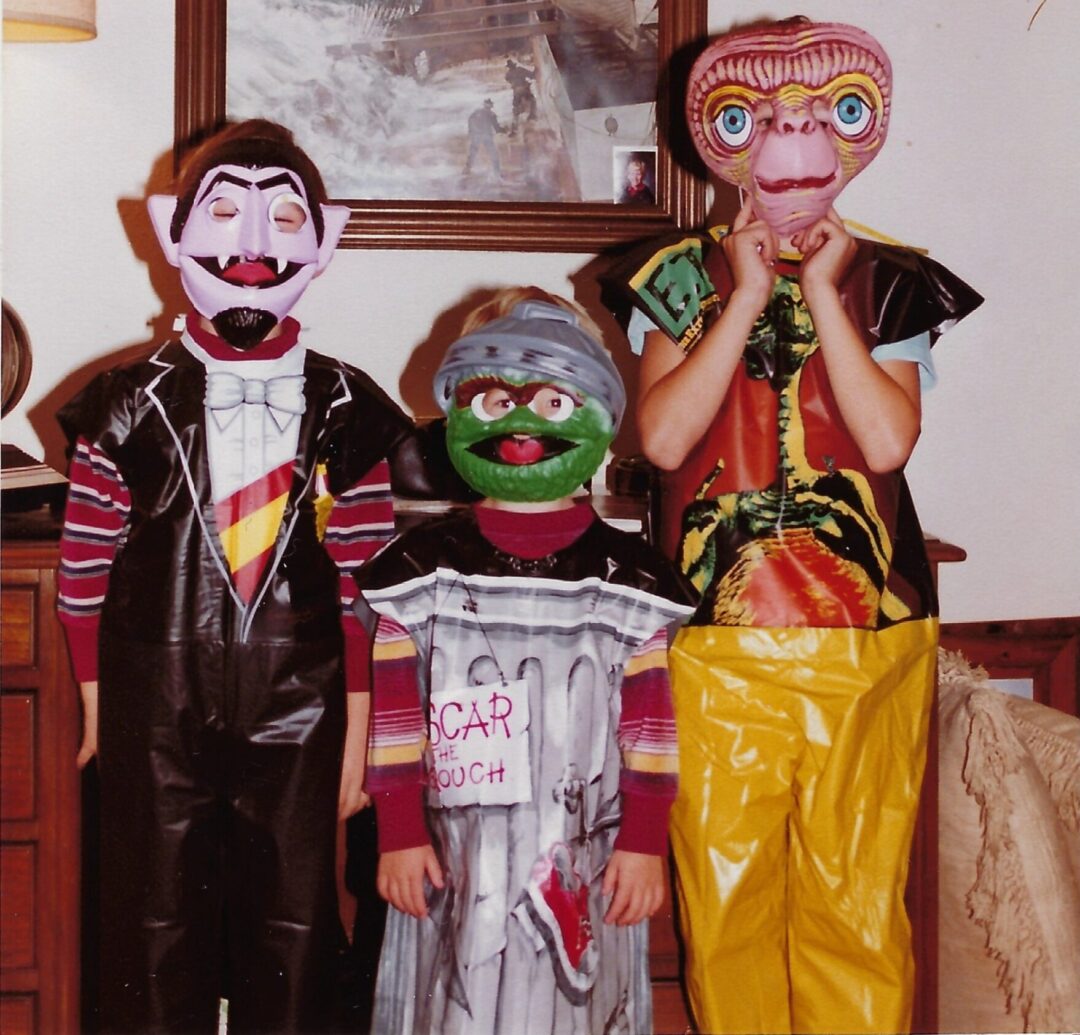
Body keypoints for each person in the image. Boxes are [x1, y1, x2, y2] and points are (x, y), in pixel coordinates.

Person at [610, 18, 983, 1035]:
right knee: (725, 901)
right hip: (715, 640)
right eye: (763, 117)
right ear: (723, 137)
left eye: (823, 114)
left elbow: (885, 438)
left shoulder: (892, 277)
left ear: (855, 132)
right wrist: (740, 301)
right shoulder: (677, 278)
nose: (794, 139)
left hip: (867, 641)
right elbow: (664, 434)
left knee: (855, 903)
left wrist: (821, 288)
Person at [56, 118, 412, 1033]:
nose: (252, 248)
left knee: (292, 924)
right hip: (154, 703)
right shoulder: (123, 407)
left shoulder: (349, 408)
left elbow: (369, 580)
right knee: (151, 920)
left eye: (283, 219)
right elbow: (85, 565)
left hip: (301, 709)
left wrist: (360, 724)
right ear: (174, 229)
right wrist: (99, 705)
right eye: (223, 212)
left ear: (323, 239)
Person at [353, 288, 697, 1035]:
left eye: (548, 399)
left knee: (575, 999)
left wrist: (643, 840)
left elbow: (651, 729)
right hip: (453, 856)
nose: (518, 426)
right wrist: (399, 830)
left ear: (596, 412)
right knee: (453, 1004)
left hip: (586, 856)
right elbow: (395, 719)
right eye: (493, 400)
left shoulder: (628, 583)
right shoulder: (418, 577)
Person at [464, 98, 505, 177]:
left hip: (477, 135)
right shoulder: (491, 114)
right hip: (486, 136)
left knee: (473, 152)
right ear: (491, 106)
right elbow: (497, 128)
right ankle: (497, 172)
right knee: (493, 154)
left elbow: (470, 120)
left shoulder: (477, 112)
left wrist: (471, 131)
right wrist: (504, 130)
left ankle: (467, 169)